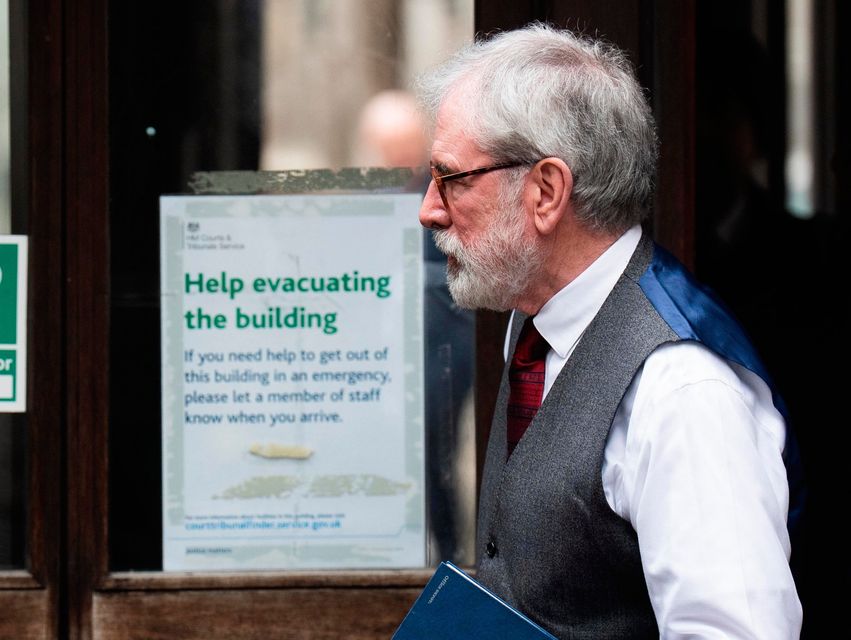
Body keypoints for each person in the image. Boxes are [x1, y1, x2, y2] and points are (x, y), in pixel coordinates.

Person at [415, 23, 803, 639]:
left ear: (546, 191)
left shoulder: (684, 392)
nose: (429, 208)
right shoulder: (538, 320)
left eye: (452, 178)